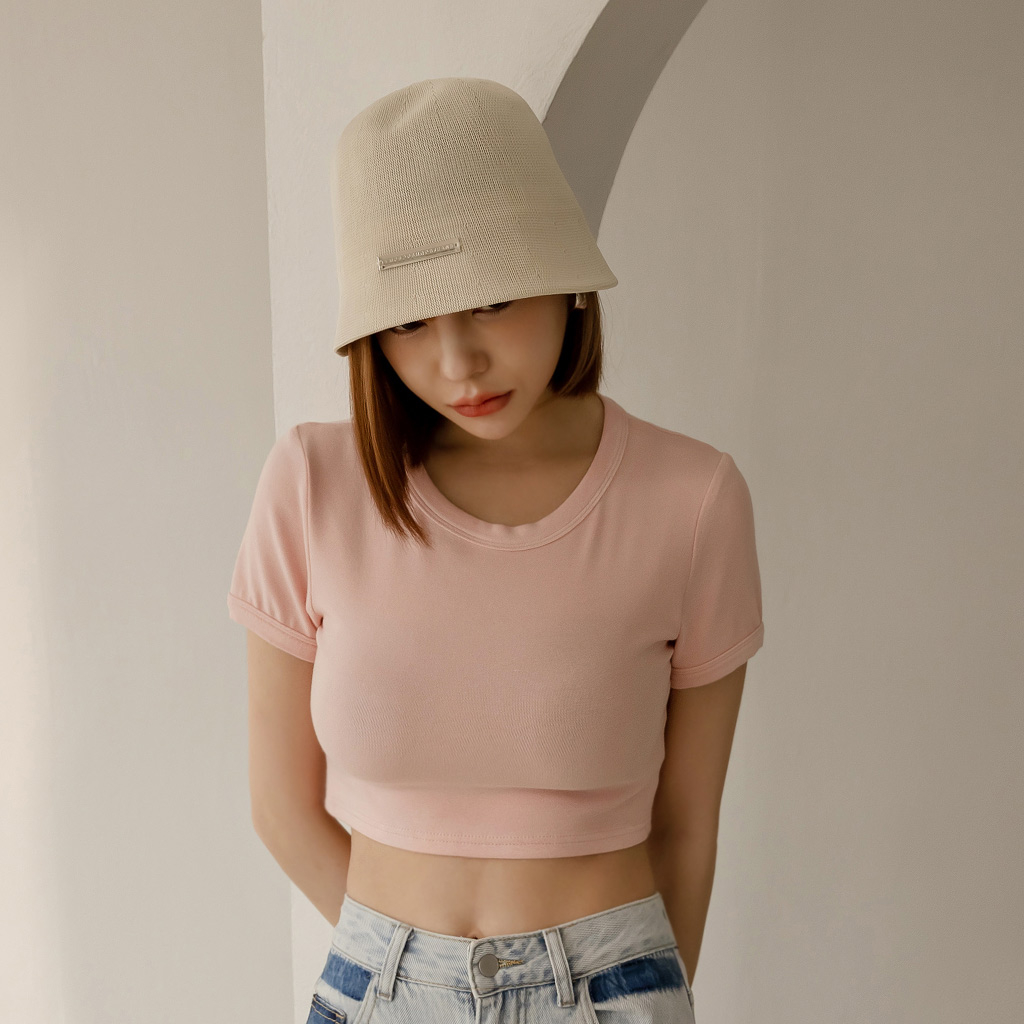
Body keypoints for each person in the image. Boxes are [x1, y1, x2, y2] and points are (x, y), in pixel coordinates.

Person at [227, 77, 764, 1024]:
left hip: (614, 991)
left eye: (492, 301)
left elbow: (687, 826)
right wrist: (407, 969)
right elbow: (280, 805)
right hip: (378, 989)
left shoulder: (691, 498)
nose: (457, 363)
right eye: (409, 321)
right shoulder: (313, 482)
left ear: (566, 279)